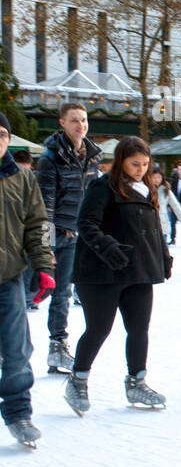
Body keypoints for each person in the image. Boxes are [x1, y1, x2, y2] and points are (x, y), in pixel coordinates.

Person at [62, 136, 172, 417]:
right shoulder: (104, 187)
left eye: (145, 164)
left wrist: (163, 255)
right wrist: (107, 247)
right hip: (101, 273)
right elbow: (86, 223)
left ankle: (137, 381)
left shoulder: (147, 189)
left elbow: (154, 228)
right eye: (135, 164)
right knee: (99, 328)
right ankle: (78, 379)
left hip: (139, 271)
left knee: (139, 329)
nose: (140, 169)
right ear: (121, 161)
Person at [0, 116, 56, 446]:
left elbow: (37, 225)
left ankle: (19, 412)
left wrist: (44, 265)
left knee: (16, 348)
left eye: (3, 135)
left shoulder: (23, 179)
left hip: (9, 277)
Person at [36, 101, 102, 375]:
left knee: (63, 293)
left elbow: (94, 197)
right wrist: (45, 246)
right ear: (62, 123)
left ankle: (57, 346)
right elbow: (44, 205)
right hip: (53, 236)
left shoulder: (92, 155)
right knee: (30, 291)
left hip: (76, 235)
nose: (81, 125)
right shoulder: (50, 159)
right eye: (75, 120)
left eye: (84, 120)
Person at [152, 168, 181, 247]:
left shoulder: (166, 189)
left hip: (162, 222)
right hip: (149, 224)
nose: (156, 180)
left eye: (158, 177)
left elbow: (175, 205)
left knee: (163, 249)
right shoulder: (147, 189)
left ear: (162, 178)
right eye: (154, 177)